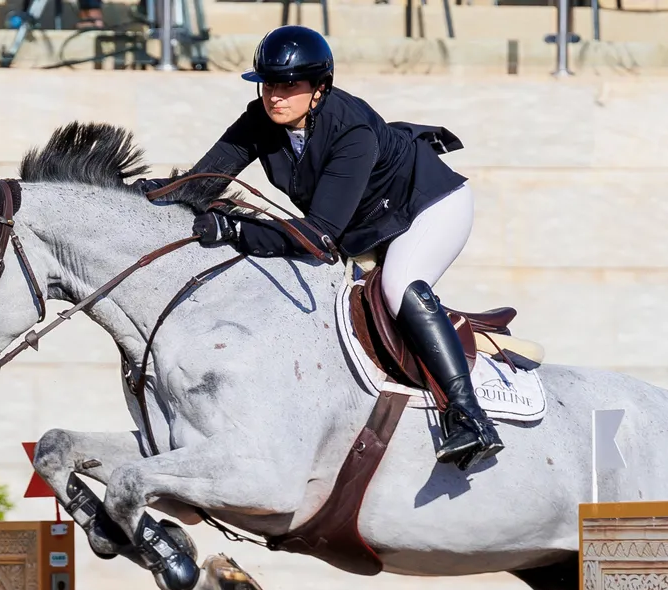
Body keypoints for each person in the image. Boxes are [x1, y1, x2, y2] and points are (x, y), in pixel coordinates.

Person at [134, 25, 502, 469]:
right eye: (269, 84)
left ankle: (468, 415)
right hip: (364, 226)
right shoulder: (261, 120)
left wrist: (234, 232)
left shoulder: (353, 130)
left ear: (319, 89)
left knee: (399, 285)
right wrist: (140, 196)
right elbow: (203, 181)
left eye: (289, 85)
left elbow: (319, 235)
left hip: (429, 206)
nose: (275, 96)